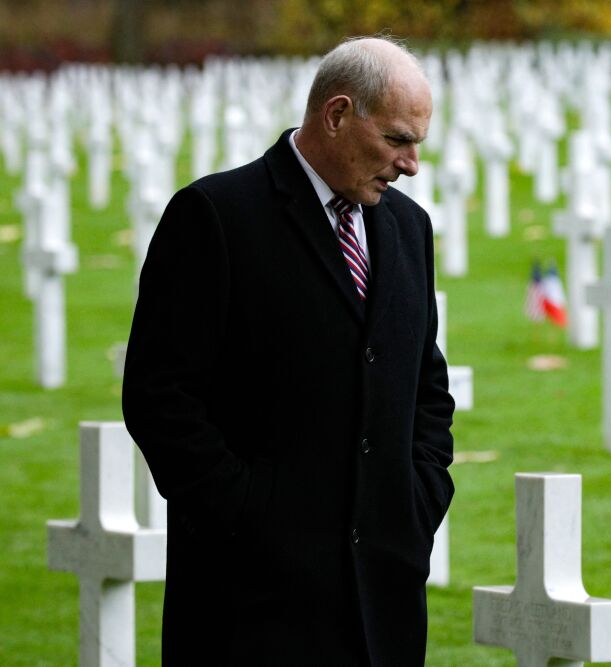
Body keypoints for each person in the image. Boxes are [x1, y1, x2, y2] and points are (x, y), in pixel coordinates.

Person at [122, 36, 455, 666]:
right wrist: (248, 515)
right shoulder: (216, 216)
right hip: (249, 601)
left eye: (418, 144)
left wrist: (418, 499)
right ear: (336, 115)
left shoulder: (409, 228)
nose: (411, 164)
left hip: (382, 596)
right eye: (396, 140)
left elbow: (426, 388)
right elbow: (159, 397)